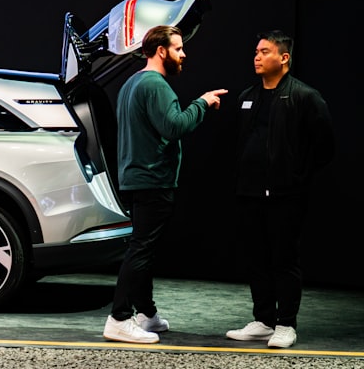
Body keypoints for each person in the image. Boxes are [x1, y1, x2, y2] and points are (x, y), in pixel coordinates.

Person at [103, 25, 228, 344]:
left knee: (143, 247)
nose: (183, 54)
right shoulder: (155, 84)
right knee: (141, 249)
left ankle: (145, 313)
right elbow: (174, 127)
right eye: (178, 48)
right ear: (162, 51)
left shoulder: (132, 83)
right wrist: (202, 103)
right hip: (152, 180)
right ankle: (119, 318)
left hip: (134, 178)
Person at [225, 30, 334, 349]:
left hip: (286, 196)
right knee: (255, 258)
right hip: (249, 193)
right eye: (256, 51)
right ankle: (263, 320)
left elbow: (325, 147)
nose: (256, 56)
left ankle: (286, 324)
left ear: (284, 58)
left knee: (284, 259)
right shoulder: (248, 96)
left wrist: (296, 177)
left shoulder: (304, 96)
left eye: (265, 51)